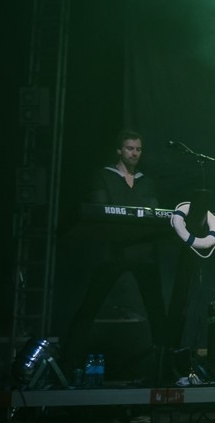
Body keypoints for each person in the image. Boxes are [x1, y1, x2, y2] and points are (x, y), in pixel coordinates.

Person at [65, 130, 170, 366]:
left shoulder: (147, 182)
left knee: (156, 311)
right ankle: (68, 362)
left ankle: (166, 366)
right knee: (90, 307)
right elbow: (101, 211)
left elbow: (153, 216)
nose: (135, 153)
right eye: (130, 148)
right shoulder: (103, 176)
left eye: (138, 149)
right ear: (119, 151)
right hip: (113, 253)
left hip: (143, 254)